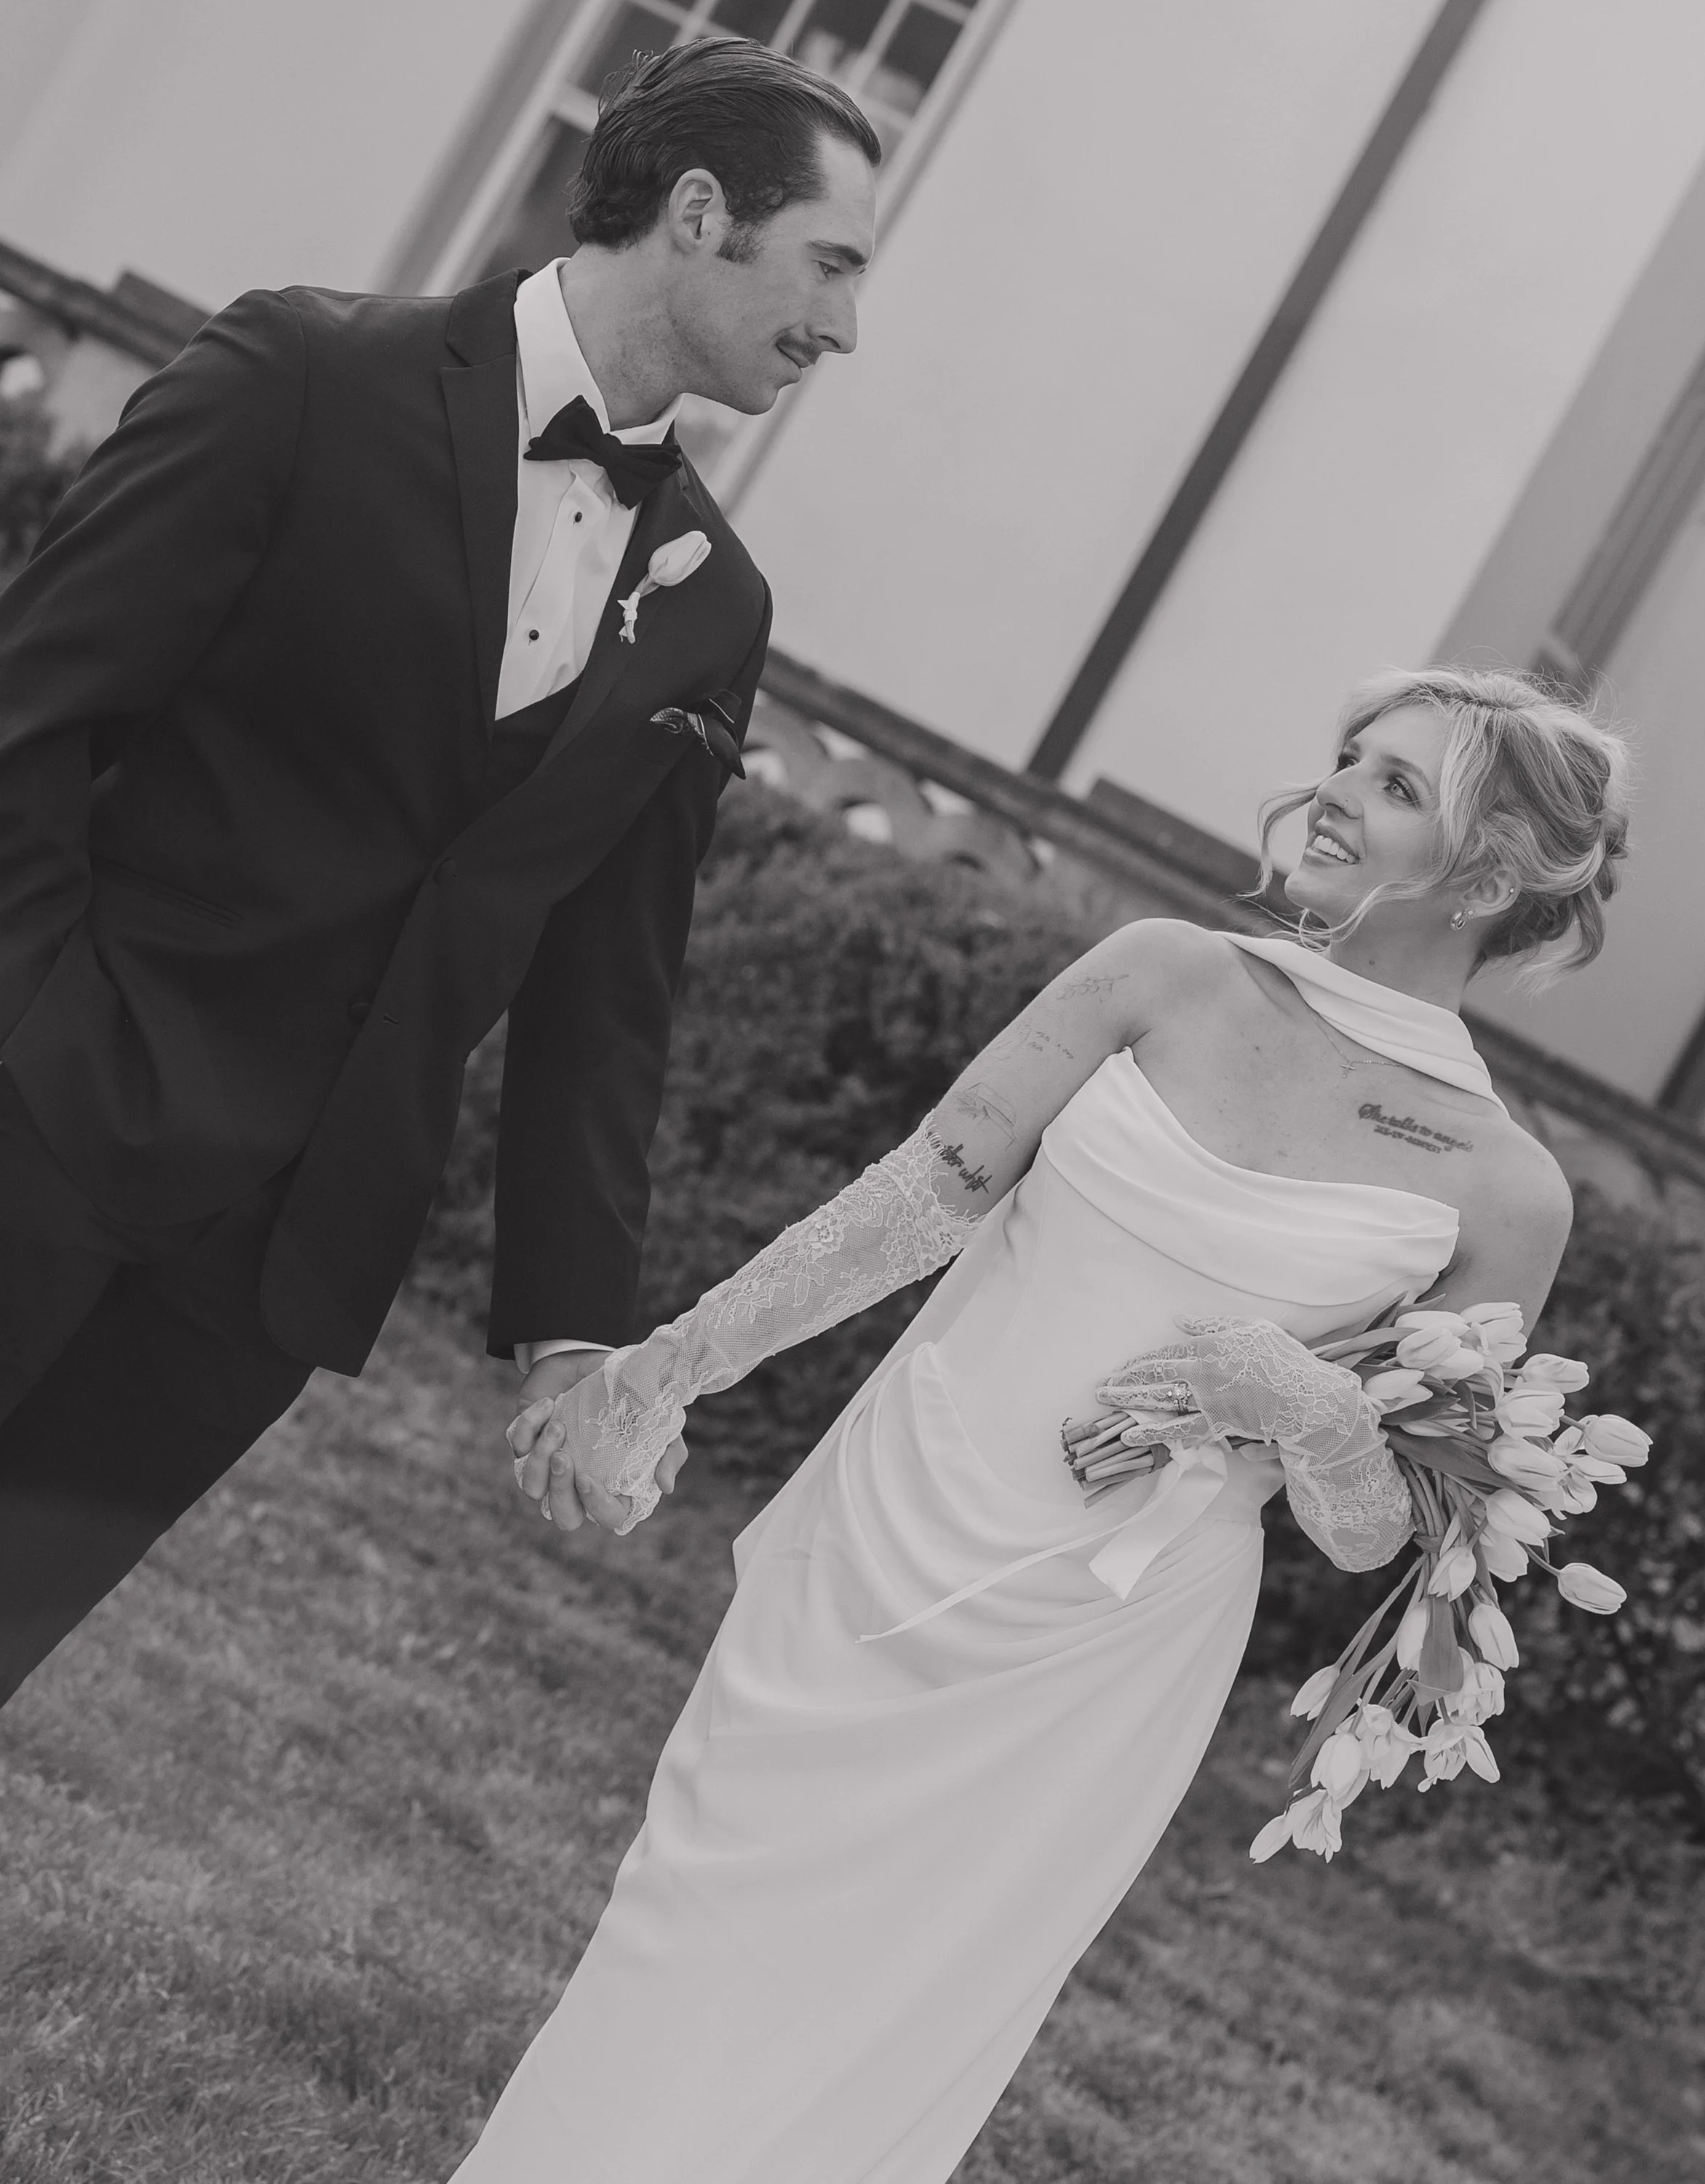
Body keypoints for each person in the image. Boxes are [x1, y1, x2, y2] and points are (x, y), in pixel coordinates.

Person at [475, 666, 1629, 2184]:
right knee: (688, 1922)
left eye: (1399, 784)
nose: (1336, 789)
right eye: (1346, 755)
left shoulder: (1504, 1192)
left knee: (890, 2020)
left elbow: (1384, 1542)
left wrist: (1291, 1400)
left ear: (1486, 876)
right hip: (897, 1524)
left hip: (1105, 1643)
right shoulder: (1160, 971)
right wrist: (664, 1370)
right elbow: (908, 1207)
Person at [0, 35, 881, 1706]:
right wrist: (31, 1028)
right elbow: (35, 708)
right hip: (43, 1119)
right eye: (829, 265)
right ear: (700, 212)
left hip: (272, 1265)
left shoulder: (713, 606)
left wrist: (571, 1331)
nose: (842, 327)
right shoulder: (302, 376)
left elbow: (605, 990)